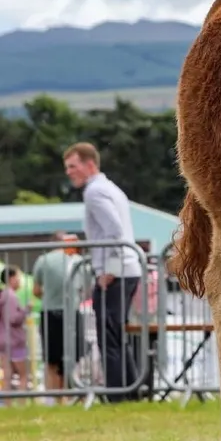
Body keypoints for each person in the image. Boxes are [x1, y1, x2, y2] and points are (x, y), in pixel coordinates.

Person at [63, 142, 144, 403]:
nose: (69, 172)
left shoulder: (94, 192)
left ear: (89, 164)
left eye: (72, 166)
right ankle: (130, 392)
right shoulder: (110, 188)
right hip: (127, 267)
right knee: (116, 335)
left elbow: (115, 231)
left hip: (116, 271)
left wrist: (107, 270)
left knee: (108, 336)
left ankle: (116, 395)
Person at [32, 232, 85, 403]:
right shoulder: (77, 260)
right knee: (72, 357)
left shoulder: (43, 260)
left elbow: (36, 290)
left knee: (51, 361)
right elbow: (84, 287)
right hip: (73, 312)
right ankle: (70, 395)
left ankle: (55, 398)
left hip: (50, 313)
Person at [0, 266, 30, 403]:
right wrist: (25, 310)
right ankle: (22, 404)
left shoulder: (3, 296)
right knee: (23, 375)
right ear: (11, 279)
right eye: (17, 277)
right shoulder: (11, 296)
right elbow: (13, 318)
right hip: (15, 341)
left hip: (4, 340)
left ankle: (8, 405)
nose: (19, 281)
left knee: (8, 376)